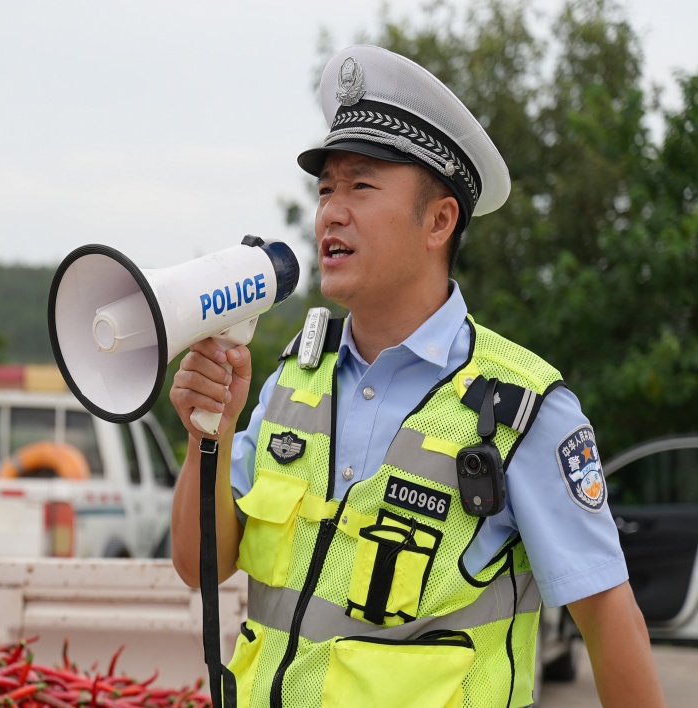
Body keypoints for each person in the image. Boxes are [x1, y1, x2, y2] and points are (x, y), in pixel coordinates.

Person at [169, 44, 663, 707]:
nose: (330, 212)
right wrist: (213, 432)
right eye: (326, 189)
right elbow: (201, 567)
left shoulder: (523, 409)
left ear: (439, 220)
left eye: (361, 185)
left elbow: (609, 619)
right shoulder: (294, 379)